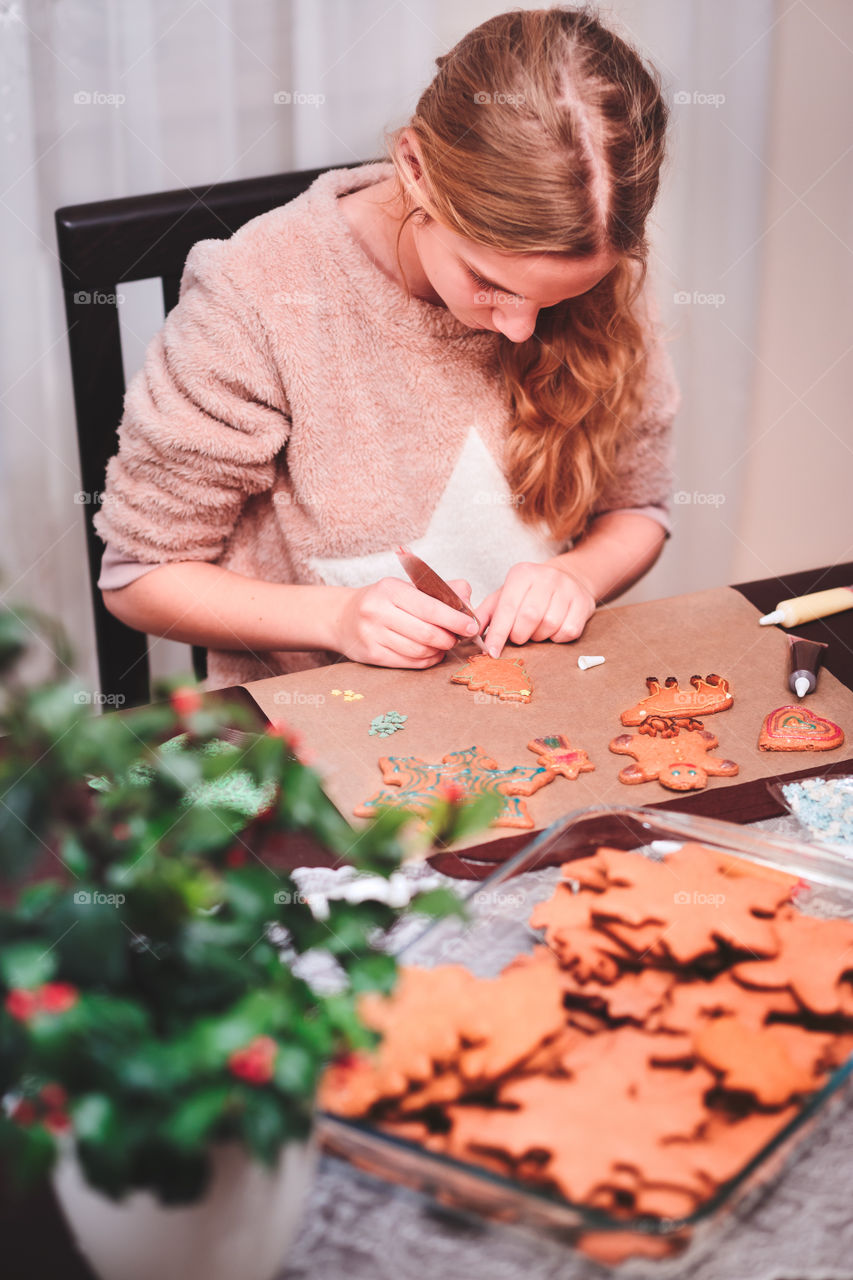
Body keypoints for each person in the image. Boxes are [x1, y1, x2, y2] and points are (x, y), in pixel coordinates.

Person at [96, 5, 679, 690]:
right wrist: (338, 620)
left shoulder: (595, 277)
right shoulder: (258, 297)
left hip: (540, 708)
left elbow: (638, 508)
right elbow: (139, 578)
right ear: (414, 167)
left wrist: (573, 575)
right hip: (315, 731)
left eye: (553, 300)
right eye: (488, 282)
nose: (521, 327)